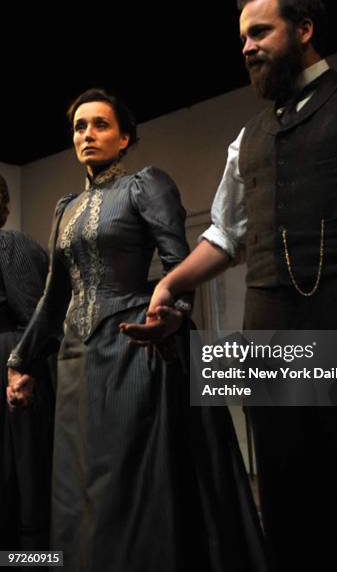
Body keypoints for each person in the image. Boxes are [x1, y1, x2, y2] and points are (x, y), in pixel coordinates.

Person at [121, 0, 337, 572]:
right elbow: (225, 236)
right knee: (295, 525)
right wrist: (169, 284)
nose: (246, 47)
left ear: (304, 29)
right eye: (242, 37)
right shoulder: (246, 139)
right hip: (266, 339)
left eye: (260, 31)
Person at [6, 89, 268, 572]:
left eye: (100, 125)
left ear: (124, 138)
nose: (87, 134)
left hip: (132, 349)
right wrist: (21, 362)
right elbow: (53, 295)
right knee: (75, 489)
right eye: (80, 126)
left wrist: (171, 314)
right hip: (73, 361)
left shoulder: (146, 186)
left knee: (126, 485)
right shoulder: (64, 208)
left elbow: (178, 266)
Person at [0, 174, 53, 552]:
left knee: (22, 471)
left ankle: (29, 560)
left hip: (12, 361)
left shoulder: (13, 244)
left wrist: (23, 365)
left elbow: (35, 313)